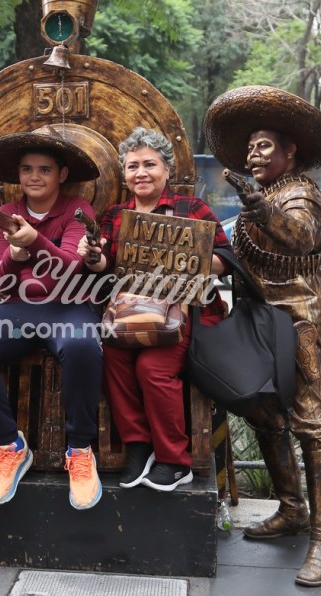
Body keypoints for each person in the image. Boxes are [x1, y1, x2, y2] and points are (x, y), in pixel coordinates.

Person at [203, 85, 321, 587]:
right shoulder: (258, 197)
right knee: (265, 413)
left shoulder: (298, 192)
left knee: (312, 423)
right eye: (250, 147)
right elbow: (243, 255)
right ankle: (292, 508)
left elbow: (300, 236)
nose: (254, 153)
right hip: (260, 319)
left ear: (291, 153)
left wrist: (261, 212)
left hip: (299, 321)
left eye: (265, 145)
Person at [0, 130, 104, 510]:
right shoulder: (5, 215)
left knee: (83, 345)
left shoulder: (78, 211)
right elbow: (1, 285)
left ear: (62, 174)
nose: (34, 176)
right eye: (26, 169)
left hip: (70, 305)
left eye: (44, 169)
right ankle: (11, 445)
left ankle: (80, 449)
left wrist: (33, 240)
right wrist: (15, 258)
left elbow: (70, 267)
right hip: (20, 308)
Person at [79, 127, 230, 492]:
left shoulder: (192, 209)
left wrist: (189, 259)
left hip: (181, 312)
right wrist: (94, 255)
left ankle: (175, 461)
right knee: (113, 358)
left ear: (166, 170)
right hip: (131, 311)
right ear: (125, 174)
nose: (141, 172)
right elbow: (106, 265)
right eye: (133, 167)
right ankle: (138, 446)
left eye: (149, 164)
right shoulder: (116, 215)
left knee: (152, 367)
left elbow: (226, 259)